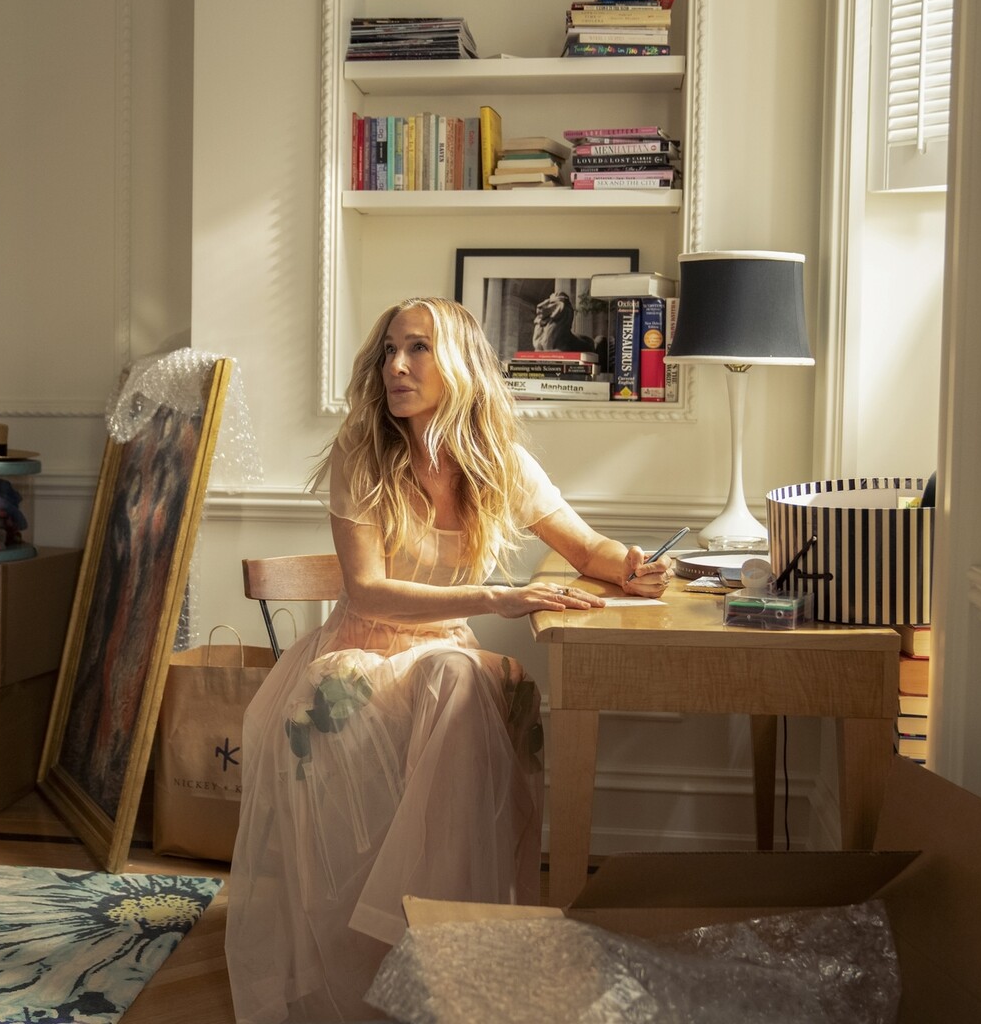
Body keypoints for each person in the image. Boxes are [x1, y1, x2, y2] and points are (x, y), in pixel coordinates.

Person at [226, 296, 673, 1023]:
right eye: (389, 351)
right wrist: (498, 599)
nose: (396, 366)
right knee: (460, 680)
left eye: (419, 349)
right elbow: (367, 593)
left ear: (459, 363)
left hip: (444, 661)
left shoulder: (499, 462)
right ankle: (435, 959)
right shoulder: (361, 452)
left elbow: (585, 548)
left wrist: (635, 566)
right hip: (358, 657)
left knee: (465, 678)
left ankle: (429, 954)